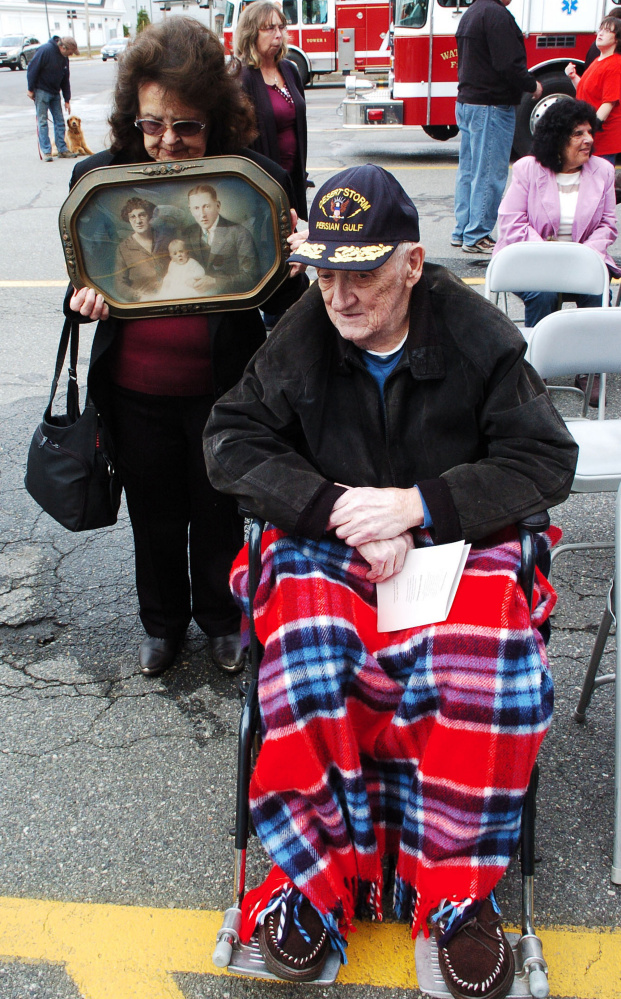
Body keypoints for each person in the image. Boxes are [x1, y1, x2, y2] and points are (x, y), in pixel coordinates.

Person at [204, 165, 578, 999]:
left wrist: (417, 507)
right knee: (306, 653)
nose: (339, 294)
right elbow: (231, 438)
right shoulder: (307, 329)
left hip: (454, 537)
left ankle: (456, 894)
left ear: (412, 263)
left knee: (480, 669)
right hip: (335, 533)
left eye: (363, 271)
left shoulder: (476, 333)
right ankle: (311, 878)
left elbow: (546, 457)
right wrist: (334, 507)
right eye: (325, 271)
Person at [64, 17, 307, 679]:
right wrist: (81, 301)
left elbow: (285, 303)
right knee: (154, 515)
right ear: (131, 118)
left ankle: (223, 620)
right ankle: (162, 625)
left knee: (219, 510)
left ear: (215, 123)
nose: (167, 141)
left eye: (186, 125)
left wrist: (294, 266)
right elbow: (82, 280)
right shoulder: (101, 183)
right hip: (135, 390)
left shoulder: (253, 181)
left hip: (222, 389)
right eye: (151, 124)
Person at [494, 98, 619, 328]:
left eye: (590, 132)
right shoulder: (528, 169)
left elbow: (607, 225)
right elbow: (512, 222)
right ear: (557, 138)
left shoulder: (603, 171)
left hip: (582, 261)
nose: (588, 140)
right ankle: (535, 360)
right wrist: (549, 255)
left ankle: (591, 359)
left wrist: (583, 255)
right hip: (530, 260)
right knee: (543, 294)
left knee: (595, 292)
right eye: (578, 134)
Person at [451, 0, 543, 255]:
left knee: (468, 171)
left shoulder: (472, 12)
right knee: (490, 173)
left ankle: (462, 230)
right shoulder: (498, 16)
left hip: (468, 101)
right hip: (491, 104)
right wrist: (531, 84)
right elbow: (508, 64)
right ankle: (478, 234)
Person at [235, 0, 308, 222]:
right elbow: (239, 141)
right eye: (269, 28)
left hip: (293, 177)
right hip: (263, 183)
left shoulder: (289, 70)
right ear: (251, 34)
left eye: (281, 27)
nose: (278, 34)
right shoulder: (243, 77)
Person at [566, 16, 621, 166]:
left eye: (607, 31)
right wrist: (573, 77)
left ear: (617, 39)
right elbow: (585, 92)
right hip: (591, 136)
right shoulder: (598, 60)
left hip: (603, 141)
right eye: (600, 29)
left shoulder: (616, 64)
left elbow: (608, 103)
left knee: (598, 184)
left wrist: (589, 129)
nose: (601, 33)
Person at [185, 184, 259, 293]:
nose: (202, 214)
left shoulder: (240, 233)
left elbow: (251, 277)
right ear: (190, 210)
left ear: (218, 206)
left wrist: (215, 282)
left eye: (206, 206)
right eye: (196, 208)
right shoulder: (189, 233)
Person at [27, 35, 79, 162]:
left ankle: (62, 149)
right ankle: (46, 152)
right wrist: (30, 89)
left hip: (55, 92)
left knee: (59, 121)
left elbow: (65, 78)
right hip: (42, 91)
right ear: (63, 47)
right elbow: (32, 69)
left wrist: (67, 99)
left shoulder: (64, 58)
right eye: (70, 52)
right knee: (43, 121)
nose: (70, 55)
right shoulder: (45, 50)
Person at [115, 197, 170, 302]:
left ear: (149, 216)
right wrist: (138, 296)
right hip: (144, 303)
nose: (138, 221)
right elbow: (119, 284)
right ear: (129, 220)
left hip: (171, 298)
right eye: (133, 217)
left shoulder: (165, 239)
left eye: (142, 215)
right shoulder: (123, 248)